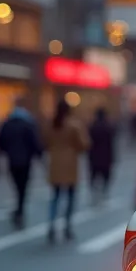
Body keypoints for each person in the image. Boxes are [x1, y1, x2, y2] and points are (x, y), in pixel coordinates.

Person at [45, 99, 90, 243]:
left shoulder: (52, 124)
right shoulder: (74, 125)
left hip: (55, 163)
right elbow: (84, 144)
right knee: (70, 196)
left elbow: (45, 141)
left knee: (55, 196)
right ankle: (67, 226)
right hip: (70, 164)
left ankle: (51, 225)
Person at [0, 96, 42, 228]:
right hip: (25, 160)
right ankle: (19, 210)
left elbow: (1, 141)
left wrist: (6, 152)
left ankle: (18, 210)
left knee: (17, 186)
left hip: (12, 160)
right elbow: (34, 142)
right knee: (23, 187)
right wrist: (38, 155)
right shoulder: (28, 123)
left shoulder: (7, 123)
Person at [88, 107, 116, 201]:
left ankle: (94, 194)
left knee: (94, 176)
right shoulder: (108, 127)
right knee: (106, 176)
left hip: (94, 156)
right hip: (106, 155)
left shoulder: (92, 127)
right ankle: (104, 193)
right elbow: (111, 143)